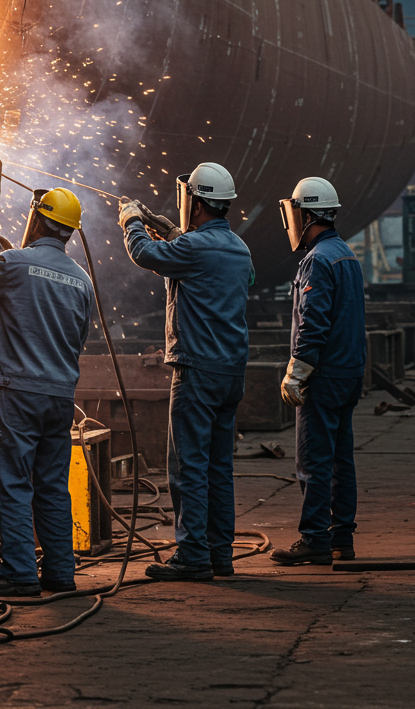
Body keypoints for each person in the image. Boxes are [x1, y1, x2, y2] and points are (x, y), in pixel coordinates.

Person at [0, 189, 94, 597]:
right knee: (52, 485)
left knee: (13, 483)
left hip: (20, 392)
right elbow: (77, 336)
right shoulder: (80, 279)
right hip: (60, 395)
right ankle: (60, 573)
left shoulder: (16, 264)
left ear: (37, 218)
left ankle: (18, 572)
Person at [119, 162, 252, 582]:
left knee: (188, 466)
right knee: (218, 466)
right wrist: (176, 234)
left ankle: (193, 554)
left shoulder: (192, 249)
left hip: (196, 369)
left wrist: (132, 222)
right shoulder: (239, 249)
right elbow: (211, 268)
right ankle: (219, 553)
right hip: (231, 373)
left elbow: (144, 255)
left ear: (194, 202)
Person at [271, 177, 365, 566]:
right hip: (350, 373)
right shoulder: (347, 255)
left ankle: (314, 539)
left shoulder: (317, 260)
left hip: (323, 376)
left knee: (313, 461)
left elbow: (314, 321)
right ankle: (341, 538)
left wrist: (297, 370)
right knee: (342, 459)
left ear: (306, 214)